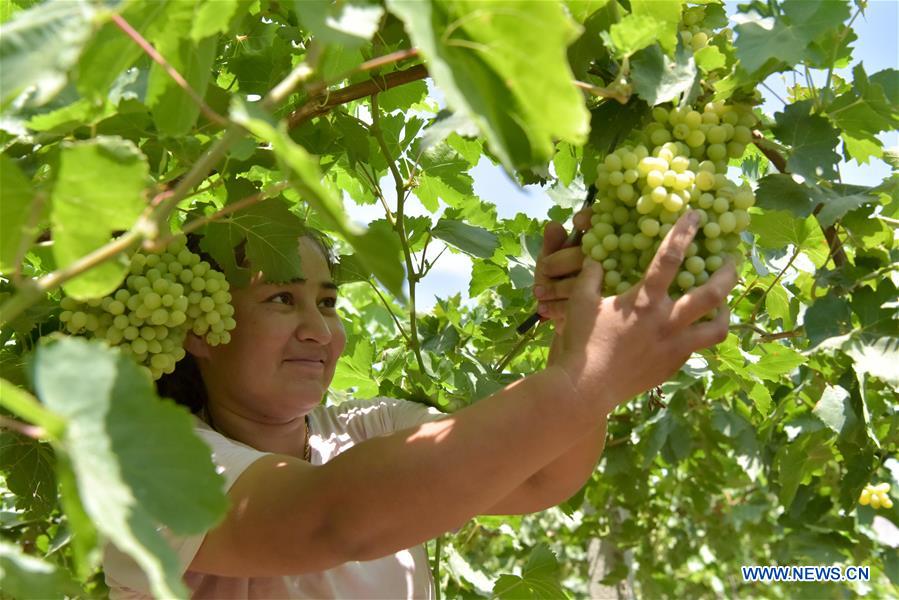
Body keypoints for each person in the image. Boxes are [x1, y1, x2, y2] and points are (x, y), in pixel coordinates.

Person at [102, 209, 736, 599]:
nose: (319, 332)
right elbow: (335, 520)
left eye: (327, 302)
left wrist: (575, 332)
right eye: (280, 300)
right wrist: (588, 379)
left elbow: (542, 473)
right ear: (200, 330)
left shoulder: (367, 427)